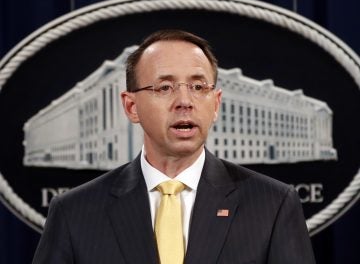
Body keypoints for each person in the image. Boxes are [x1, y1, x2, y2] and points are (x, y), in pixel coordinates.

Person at [33, 29, 316, 264]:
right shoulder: (74, 213)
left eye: (198, 87)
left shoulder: (273, 205)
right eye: (165, 87)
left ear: (215, 104)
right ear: (132, 107)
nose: (185, 101)